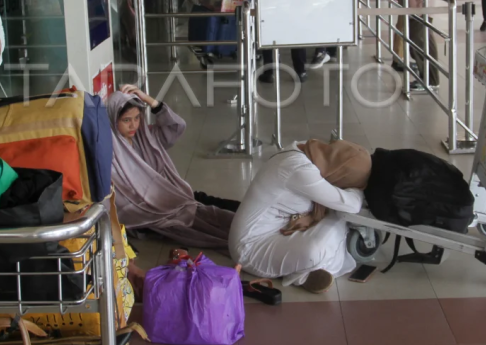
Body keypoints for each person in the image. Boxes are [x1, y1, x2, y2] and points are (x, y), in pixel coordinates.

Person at [229, 139, 370, 293]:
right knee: (318, 247)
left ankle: (304, 267)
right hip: (251, 250)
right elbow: (351, 204)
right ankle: (301, 275)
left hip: (283, 228)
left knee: (336, 218)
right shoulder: (297, 169)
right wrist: (358, 189)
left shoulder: (309, 152)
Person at [107, 85, 238, 248]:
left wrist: (150, 100)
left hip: (172, 195)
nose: (133, 125)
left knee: (215, 208)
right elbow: (122, 201)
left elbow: (177, 126)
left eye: (137, 118)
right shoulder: (112, 155)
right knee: (204, 224)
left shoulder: (147, 138)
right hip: (149, 211)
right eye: (126, 120)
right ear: (113, 119)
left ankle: (255, 217)